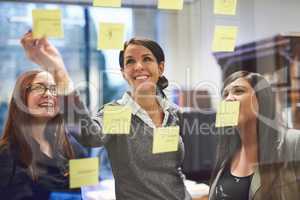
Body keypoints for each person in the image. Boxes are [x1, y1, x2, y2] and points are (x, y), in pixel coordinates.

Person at [21, 32, 192, 200]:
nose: (139, 66)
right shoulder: (119, 113)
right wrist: (58, 71)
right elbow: (88, 135)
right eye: (130, 61)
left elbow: (173, 170)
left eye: (147, 59)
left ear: (160, 67)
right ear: (124, 72)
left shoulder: (174, 113)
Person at [209, 71, 300, 200]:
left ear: (261, 99)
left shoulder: (294, 142)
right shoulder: (227, 152)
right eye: (225, 94)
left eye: (238, 91)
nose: (229, 98)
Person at [0, 69, 87, 199]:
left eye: (54, 89)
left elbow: (90, 193)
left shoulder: (75, 150)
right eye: (39, 87)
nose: (48, 94)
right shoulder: (6, 153)